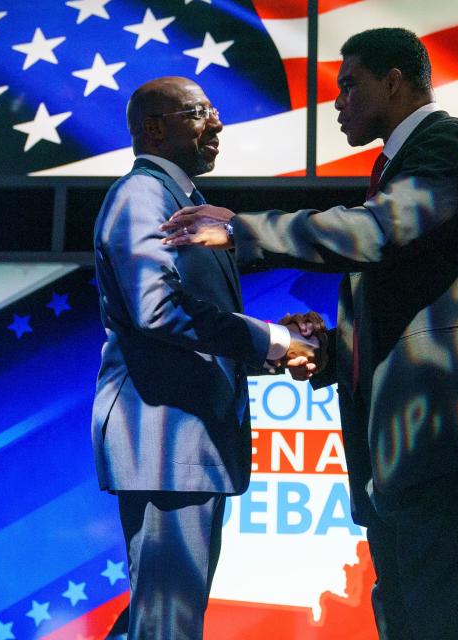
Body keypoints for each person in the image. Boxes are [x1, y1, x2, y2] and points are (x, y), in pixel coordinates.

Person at [161, 29, 458, 640]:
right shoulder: (394, 169)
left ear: (395, 81)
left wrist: (245, 229)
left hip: (454, 440)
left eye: (349, 85)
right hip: (408, 456)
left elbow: (377, 232)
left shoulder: (448, 142)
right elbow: (407, 300)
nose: (337, 101)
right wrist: (330, 352)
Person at [91, 76, 321, 640]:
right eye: (200, 113)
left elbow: (195, 321)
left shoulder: (181, 202)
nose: (217, 124)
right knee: (167, 622)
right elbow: (158, 310)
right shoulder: (143, 194)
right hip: (166, 438)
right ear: (153, 127)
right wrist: (269, 340)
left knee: (163, 617)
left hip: (182, 440)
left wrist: (275, 339)